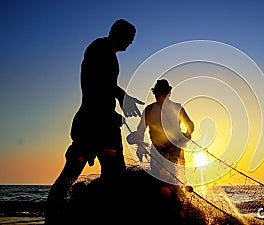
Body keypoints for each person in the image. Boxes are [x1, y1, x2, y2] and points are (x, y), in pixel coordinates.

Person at [45, 19, 144, 224]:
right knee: (90, 173)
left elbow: (103, 87)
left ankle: (82, 216)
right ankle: (53, 217)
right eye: (130, 38)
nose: (131, 43)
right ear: (119, 33)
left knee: (102, 174)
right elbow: (99, 83)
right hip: (96, 123)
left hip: (99, 121)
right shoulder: (100, 48)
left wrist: (115, 107)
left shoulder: (107, 52)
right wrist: (121, 97)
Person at [127, 79, 194, 185]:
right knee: (157, 178)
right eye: (157, 94)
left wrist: (187, 135)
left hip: (175, 149)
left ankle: (176, 196)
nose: (160, 97)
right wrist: (136, 138)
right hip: (157, 151)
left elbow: (190, 125)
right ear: (155, 94)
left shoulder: (177, 108)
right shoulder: (149, 110)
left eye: (162, 94)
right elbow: (141, 130)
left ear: (168, 94)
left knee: (175, 178)